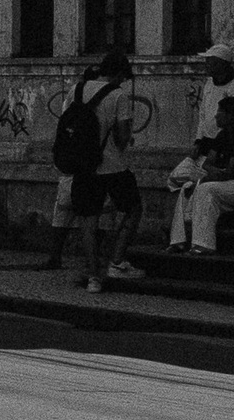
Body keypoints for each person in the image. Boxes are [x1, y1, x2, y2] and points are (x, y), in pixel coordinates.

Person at [167, 43, 234, 258]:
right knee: (180, 181)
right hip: (209, 144)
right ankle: (178, 239)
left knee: (202, 188)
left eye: (210, 61)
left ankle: (202, 242)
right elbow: (204, 114)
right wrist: (198, 141)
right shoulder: (209, 85)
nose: (206, 64)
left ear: (222, 63)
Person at [48, 48, 143, 291]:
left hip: (82, 167)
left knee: (88, 222)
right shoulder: (118, 96)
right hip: (112, 166)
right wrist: (124, 140)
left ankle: (93, 277)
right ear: (119, 73)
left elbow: (66, 123)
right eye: (123, 77)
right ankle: (117, 261)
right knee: (133, 210)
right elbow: (122, 137)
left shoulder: (76, 89)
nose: (123, 81)